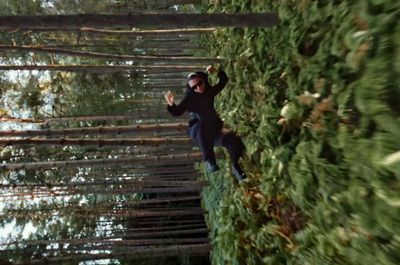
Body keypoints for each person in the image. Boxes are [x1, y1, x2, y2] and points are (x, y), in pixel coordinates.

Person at [164, 65, 247, 181]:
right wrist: (171, 104)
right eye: (194, 87)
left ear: (203, 81)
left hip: (213, 130)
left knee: (232, 138)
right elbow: (177, 112)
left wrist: (216, 71)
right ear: (190, 88)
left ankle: (237, 168)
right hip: (197, 130)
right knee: (201, 125)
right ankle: (209, 161)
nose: (198, 88)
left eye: (200, 83)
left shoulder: (208, 91)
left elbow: (223, 82)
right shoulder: (189, 98)